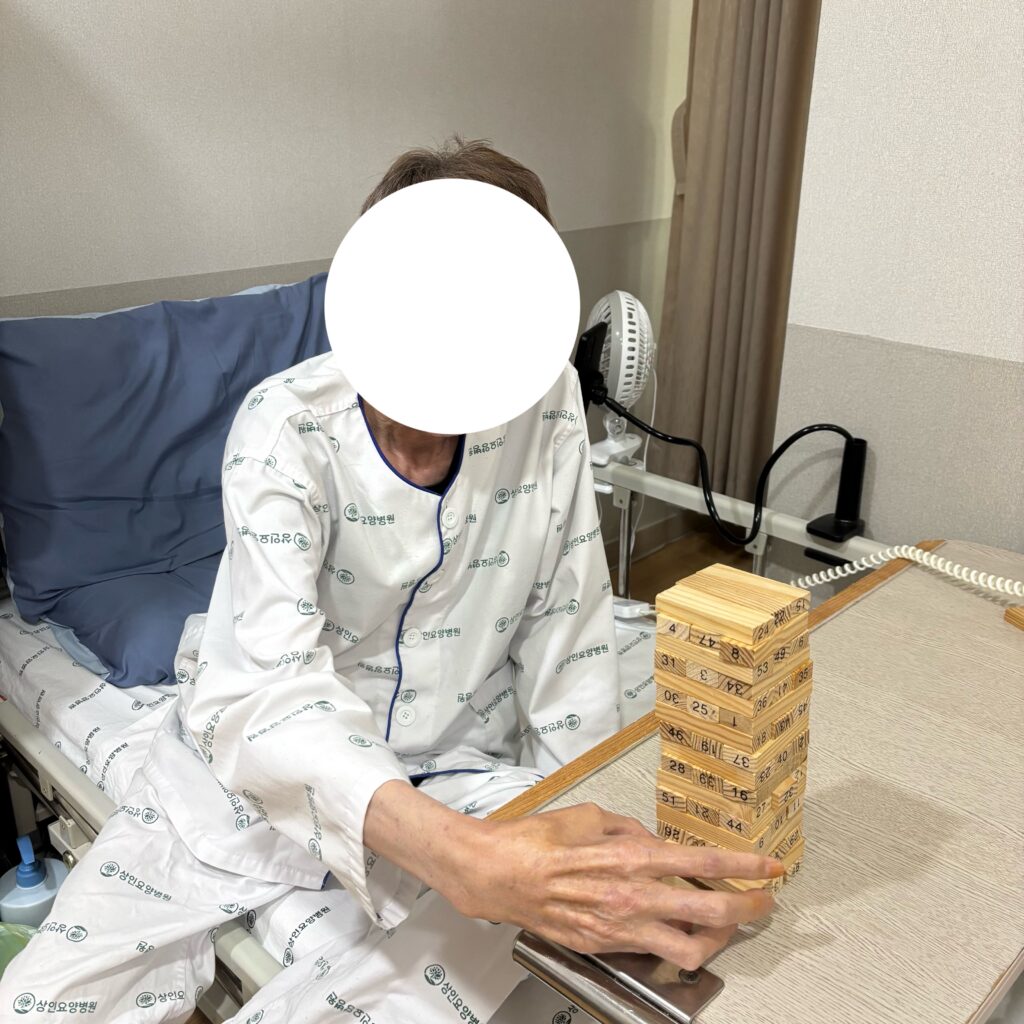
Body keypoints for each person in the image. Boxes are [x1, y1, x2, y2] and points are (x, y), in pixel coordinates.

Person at [0, 138, 779, 1024]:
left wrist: (579, 833)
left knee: (651, 919)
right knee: (37, 1004)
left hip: (459, 763)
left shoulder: (548, 406)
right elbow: (272, 689)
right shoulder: (286, 427)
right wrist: (459, 861)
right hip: (232, 791)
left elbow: (566, 629)